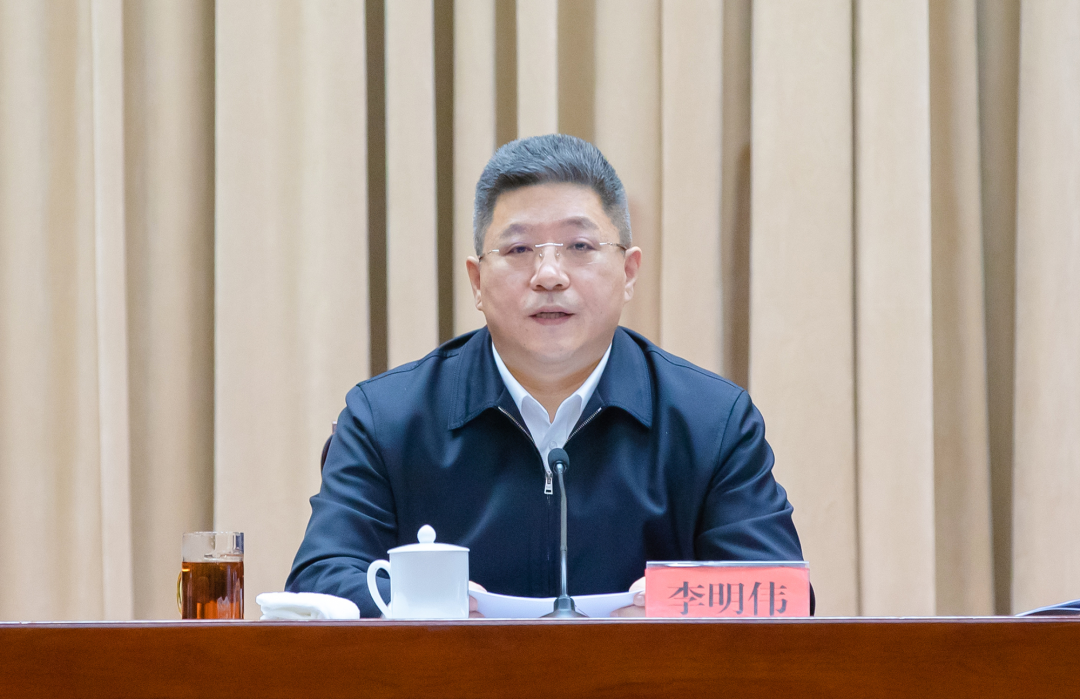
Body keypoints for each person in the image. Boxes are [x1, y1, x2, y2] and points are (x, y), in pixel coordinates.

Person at [286, 134, 808, 617]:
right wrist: (427, 609)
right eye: (518, 250)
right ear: (477, 281)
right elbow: (319, 581)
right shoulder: (388, 419)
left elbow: (781, 593)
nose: (550, 275)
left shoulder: (711, 421)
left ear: (628, 272)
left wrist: (668, 616)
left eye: (580, 247)